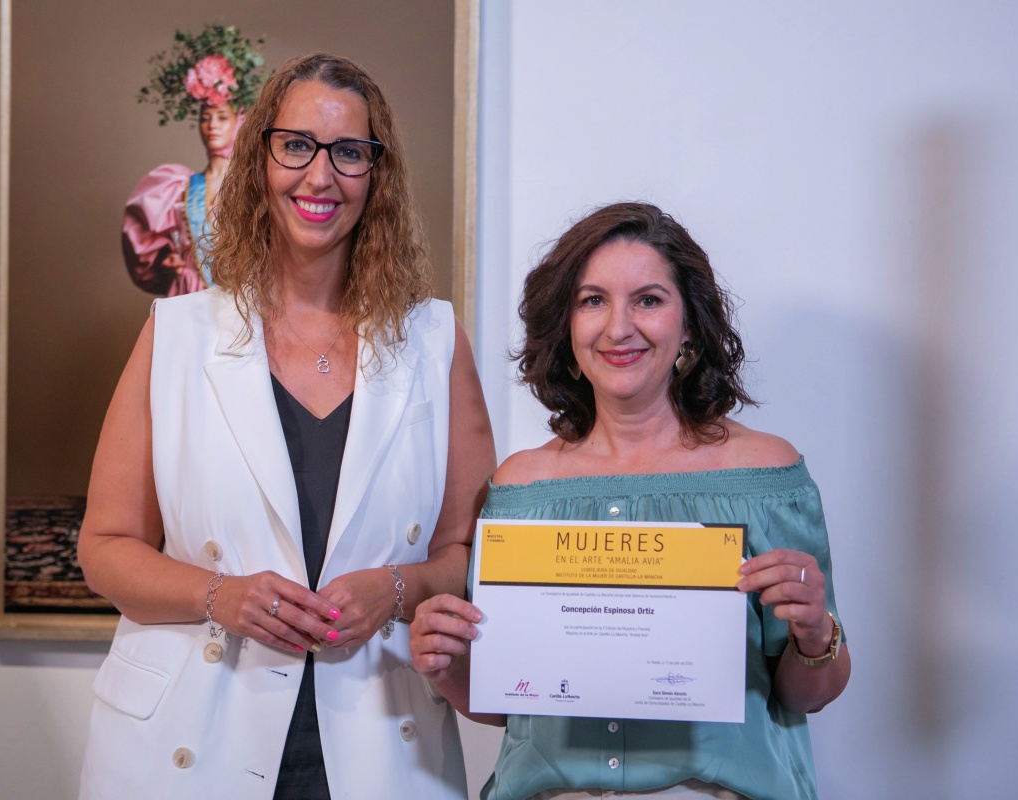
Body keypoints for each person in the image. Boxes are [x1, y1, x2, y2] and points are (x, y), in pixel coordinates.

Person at [78, 53, 495, 800]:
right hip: (190, 737)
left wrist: (397, 589)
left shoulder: (434, 340)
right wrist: (220, 595)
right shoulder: (176, 334)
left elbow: (470, 553)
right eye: (296, 145)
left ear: (378, 175)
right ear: (259, 159)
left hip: (380, 738)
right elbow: (105, 548)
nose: (320, 176)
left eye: (349, 152)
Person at [410, 202, 850, 800]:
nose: (619, 327)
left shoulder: (765, 475)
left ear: (689, 323)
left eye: (648, 300)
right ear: (566, 325)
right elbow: (513, 707)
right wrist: (446, 665)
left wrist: (815, 633)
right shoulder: (520, 488)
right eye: (593, 300)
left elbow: (808, 695)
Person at [122, 26, 265, 296]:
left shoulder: (258, 185)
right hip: (188, 296)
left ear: (240, 120)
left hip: (241, 299)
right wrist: (167, 261)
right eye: (205, 118)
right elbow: (147, 255)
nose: (212, 125)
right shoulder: (175, 188)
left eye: (222, 117)